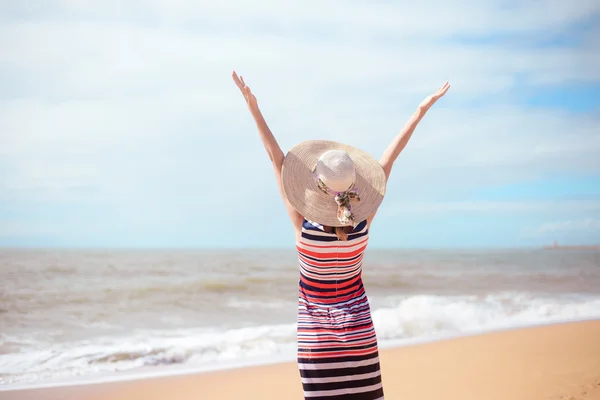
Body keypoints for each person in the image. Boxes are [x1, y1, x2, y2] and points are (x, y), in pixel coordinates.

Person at [232, 71, 449, 400]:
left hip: (316, 341)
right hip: (359, 333)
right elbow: (389, 160)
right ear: (354, 185)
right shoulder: (362, 223)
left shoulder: (303, 227)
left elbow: (275, 158)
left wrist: (253, 109)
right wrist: (419, 112)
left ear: (316, 184)